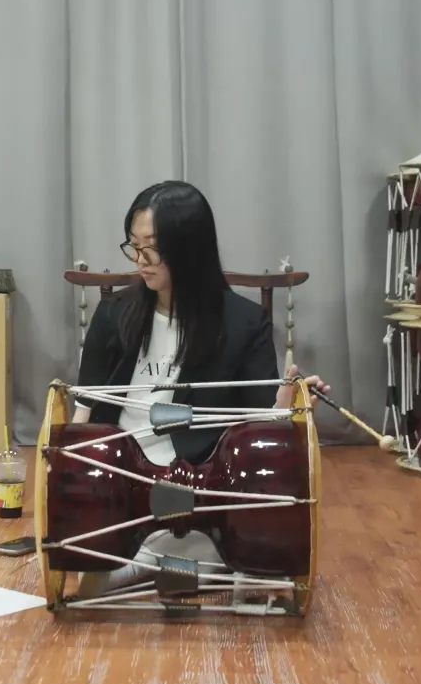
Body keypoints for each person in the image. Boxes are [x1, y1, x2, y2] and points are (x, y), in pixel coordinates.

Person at [72, 181, 326, 592]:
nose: (140, 260)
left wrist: (286, 406)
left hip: (199, 487)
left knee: (238, 521)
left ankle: (142, 562)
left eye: (152, 249)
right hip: (119, 483)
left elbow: (259, 437)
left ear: (189, 249)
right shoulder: (113, 315)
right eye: (134, 246)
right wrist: (67, 470)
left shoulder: (243, 324)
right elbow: (84, 412)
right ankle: (167, 559)